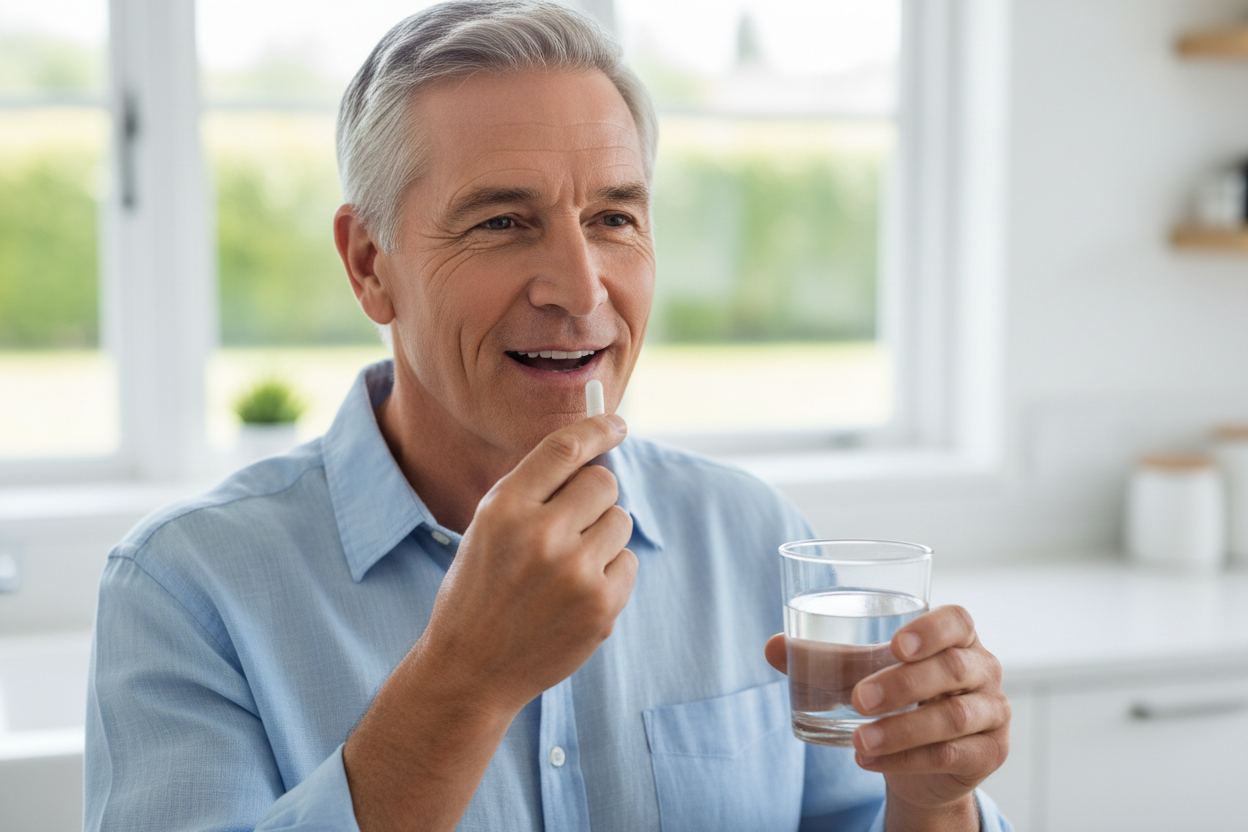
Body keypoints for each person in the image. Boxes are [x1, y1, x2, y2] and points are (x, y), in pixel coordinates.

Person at [85, 2, 1012, 830]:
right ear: (370, 263)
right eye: (501, 222)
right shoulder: (186, 591)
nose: (580, 289)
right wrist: (465, 680)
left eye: (614, 218)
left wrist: (933, 803)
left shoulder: (750, 536)